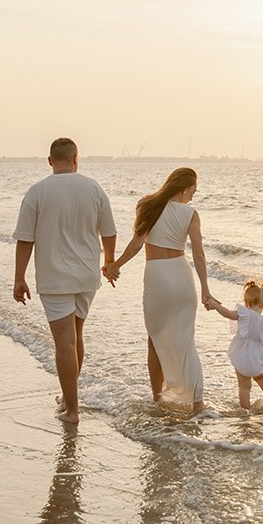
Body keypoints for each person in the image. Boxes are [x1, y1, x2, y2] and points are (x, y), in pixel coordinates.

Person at [13, 137, 117, 425]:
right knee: (75, 336)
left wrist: (19, 277)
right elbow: (109, 231)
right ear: (75, 158)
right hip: (86, 275)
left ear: (49, 161)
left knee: (64, 343)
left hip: (55, 277)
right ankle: (68, 397)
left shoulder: (37, 191)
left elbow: (25, 239)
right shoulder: (94, 188)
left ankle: (72, 410)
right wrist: (109, 262)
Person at [104, 167, 211, 410]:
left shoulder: (147, 205)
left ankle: (157, 398)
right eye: (193, 192)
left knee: (155, 338)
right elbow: (199, 254)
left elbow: (136, 244)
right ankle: (198, 403)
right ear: (184, 188)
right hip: (182, 276)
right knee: (186, 341)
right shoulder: (191, 214)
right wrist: (205, 288)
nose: (192, 197)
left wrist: (114, 266)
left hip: (157, 276)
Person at [208, 279, 263, 411]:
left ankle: (245, 410)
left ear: (246, 302)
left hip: (242, 355)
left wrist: (215, 305)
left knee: (244, 386)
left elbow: (227, 313)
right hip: (257, 356)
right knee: (261, 377)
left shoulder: (243, 314)